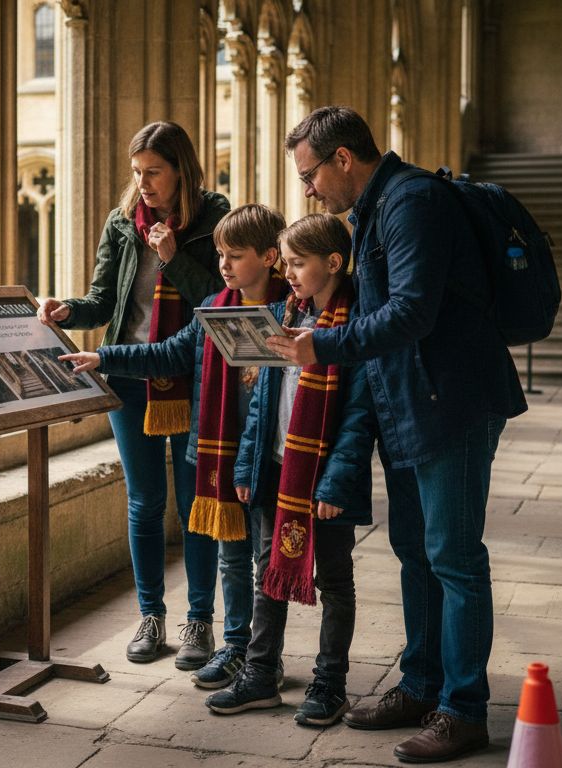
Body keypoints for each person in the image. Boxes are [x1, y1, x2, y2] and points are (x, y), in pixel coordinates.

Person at [265, 106, 526, 763]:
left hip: (452, 404)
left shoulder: (412, 203)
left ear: (343, 158)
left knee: (455, 558)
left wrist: (319, 348)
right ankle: (420, 685)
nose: (309, 191)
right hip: (411, 403)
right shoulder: (377, 209)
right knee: (416, 550)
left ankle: (463, 710)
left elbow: (410, 313)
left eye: (310, 174)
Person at [58, 204, 291, 688]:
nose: (223, 264)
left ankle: (265, 659)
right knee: (232, 556)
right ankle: (234, 645)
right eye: (220, 255)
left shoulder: (291, 314)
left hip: (267, 458)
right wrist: (103, 356)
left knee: (266, 559)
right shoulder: (217, 310)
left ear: (270, 257)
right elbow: (168, 352)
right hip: (222, 454)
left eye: (234, 255)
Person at [36, 121, 228, 671]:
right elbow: (103, 301)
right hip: (127, 375)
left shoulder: (214, 218)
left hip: (191, 375)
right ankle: (151, 616)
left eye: (154, 172)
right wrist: (69, 309)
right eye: (136, 172)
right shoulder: (122, 224)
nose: (142, 183)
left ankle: (198, 622)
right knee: (144, 503)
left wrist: (172, 257)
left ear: (180, 171)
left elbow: (221, 300)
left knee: (196, 507)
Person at [203, 213, 375, 727]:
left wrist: (338, 479)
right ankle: (259, 675)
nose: (291, 272)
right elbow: (260, 401)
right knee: (267, 573)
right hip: (275, 467)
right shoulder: (281, 314)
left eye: (299, 263)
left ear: (334, 263)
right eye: (290, 262)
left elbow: (359, 415)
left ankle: (330, 683)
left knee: (335, 581)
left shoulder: (355, 330)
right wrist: (246, 463)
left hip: (324, 478)